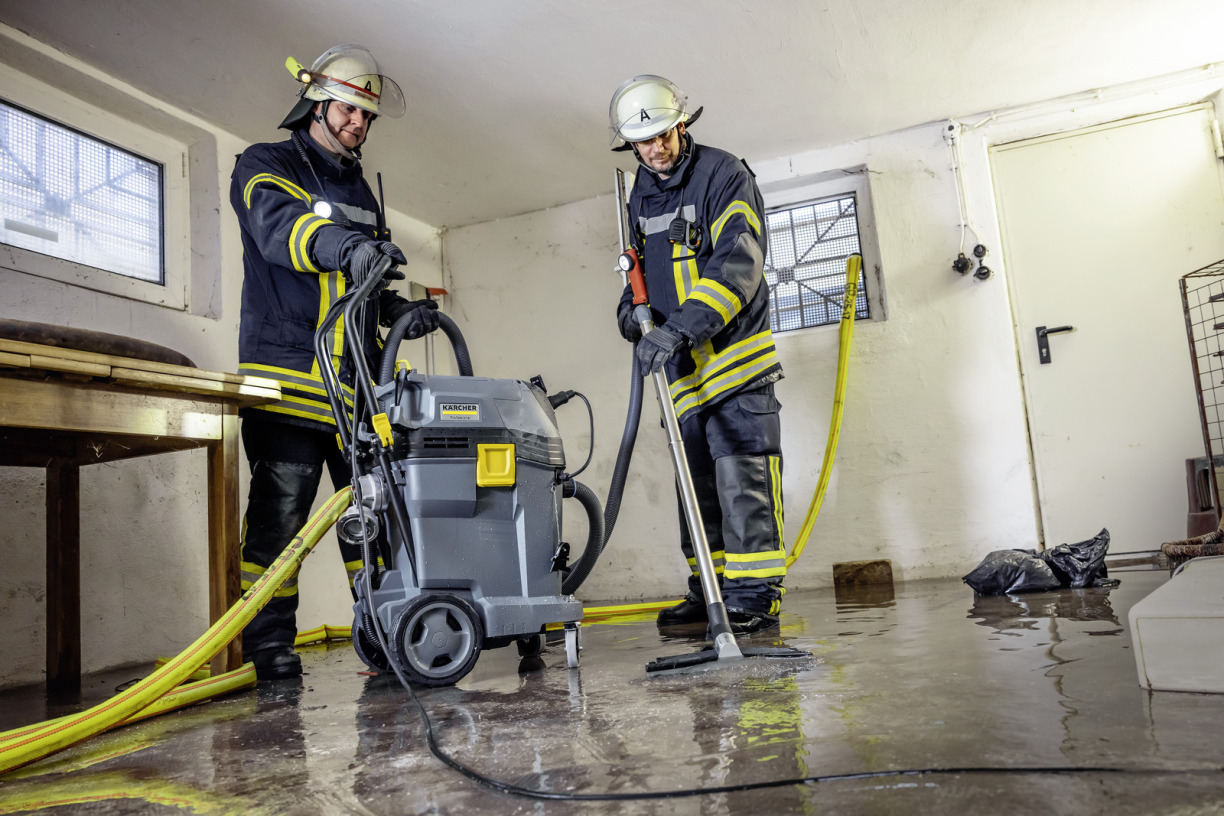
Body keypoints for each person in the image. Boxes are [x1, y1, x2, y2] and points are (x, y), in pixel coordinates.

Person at [230, 44, 439, 680]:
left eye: (367, 115)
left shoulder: (360, 190)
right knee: (280, 521)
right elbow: (282, 231)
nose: (359, 123)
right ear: (316, 104)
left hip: (356, 390)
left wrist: (398, 307)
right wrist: (346, 246)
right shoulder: (264, 165)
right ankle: (267, 647)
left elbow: (361, 284)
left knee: (372, 520)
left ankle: (384, 634)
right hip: (289, 380)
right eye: (349, 109)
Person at [609, 75, 786, 635]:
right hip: (682, 375)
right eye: (644, 141)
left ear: (681, 125)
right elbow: (640, 268)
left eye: (664, 134)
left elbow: (738, 262)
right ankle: (710, 589)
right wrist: (629, 312)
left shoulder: (723, 173)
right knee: (696, 487)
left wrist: (680, 330)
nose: (657, 148)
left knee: (742, 481)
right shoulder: (639, 193)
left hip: (735, 364)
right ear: (631, 145)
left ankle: (753, 595)